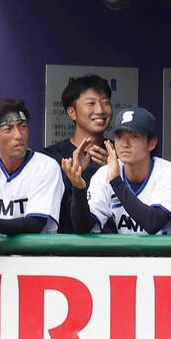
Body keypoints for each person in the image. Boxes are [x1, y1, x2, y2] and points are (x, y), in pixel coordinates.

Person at [0, 99, 64, 254]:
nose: (18, 135)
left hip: (36, 266)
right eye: (8, 129)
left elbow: (36, 223)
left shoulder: (46, 166)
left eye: (22, 126)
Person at [63, 107, 171, 234]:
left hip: (166, 253)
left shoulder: (169, 173)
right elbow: (84, 227)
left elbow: (153, 223)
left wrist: (116, 181)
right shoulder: (104, 174)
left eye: (134, 136)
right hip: (129, 254)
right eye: (119, 137)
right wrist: (78, 188)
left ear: (151, 143)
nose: (125, 144)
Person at [40, 75, 113, 233]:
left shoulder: (121, 154)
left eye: (105, 102)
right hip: (63, 251)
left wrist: (117, 169)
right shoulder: (50, 158)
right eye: (91, 104)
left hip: (114, 251)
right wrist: (73, 176)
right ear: (72, 112)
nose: (100, 110)